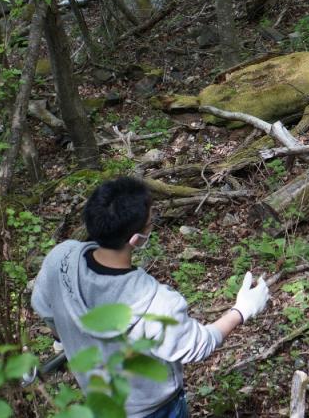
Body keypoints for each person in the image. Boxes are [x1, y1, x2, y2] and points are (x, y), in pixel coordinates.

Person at [32, 177, 270, 418]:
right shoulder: (155, 302)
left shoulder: (60, 259)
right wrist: (242, 310)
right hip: (156, 410)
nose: (152, 222)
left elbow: (44, 309)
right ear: (136, 239)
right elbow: (199, 345)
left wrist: (68, 336)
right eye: (150, 221)